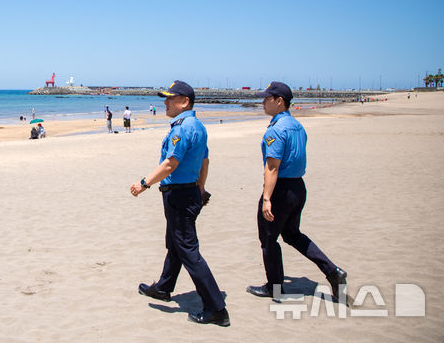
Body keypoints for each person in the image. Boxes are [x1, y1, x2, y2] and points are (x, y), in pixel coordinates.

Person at [130, 80, 229, 327]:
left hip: (180, 195)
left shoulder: (183, 128)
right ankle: (163, 288)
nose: (165, 102)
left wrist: (144, 183)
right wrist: (201, 188)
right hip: (189, 193)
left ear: (185, 102)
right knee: (175, 244)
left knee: (188, 250)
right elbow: (204, 162)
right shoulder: (197, 126)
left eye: (170, 99)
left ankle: (217, 308)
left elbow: (169, 164)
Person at [246, 81, 347, 301]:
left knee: (268, 238)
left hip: (281, 189)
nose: (262, 102)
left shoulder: (276, 130)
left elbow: (272, 167)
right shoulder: (297, 126)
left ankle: (275, 287)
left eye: (267, 98)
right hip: (298, 187)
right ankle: (332, 271)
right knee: (292, 234)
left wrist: (266, 199)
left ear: (279, 101)